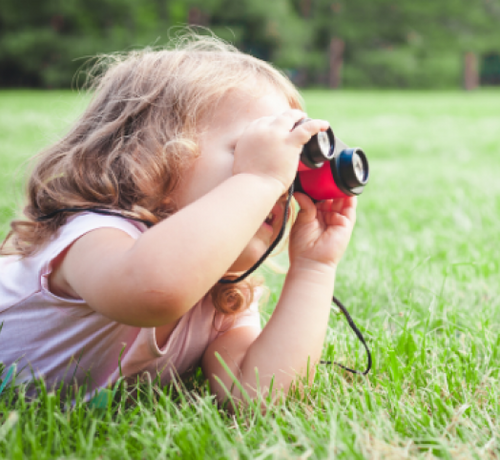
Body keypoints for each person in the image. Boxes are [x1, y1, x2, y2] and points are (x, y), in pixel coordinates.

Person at [0, 35, 356, 404]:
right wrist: (258, 179)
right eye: (249, 149)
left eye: (285, 167)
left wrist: (315, 268)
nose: (280, 181)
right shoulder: (94, 237)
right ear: (145, 158)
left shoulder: (226, 293)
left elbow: (255, 395)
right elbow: (155, 290)